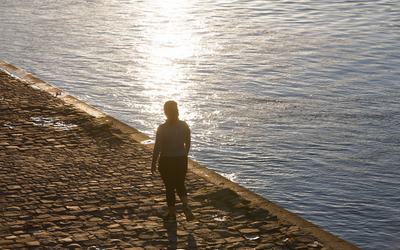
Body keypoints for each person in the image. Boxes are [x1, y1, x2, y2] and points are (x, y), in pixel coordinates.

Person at [151, 100, 195, 222]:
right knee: (180, 184)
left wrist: (153, 162)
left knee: (169, 187)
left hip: (166, 160)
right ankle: (185, 206)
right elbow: (188, 144)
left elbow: (158, 146)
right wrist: (184, 155)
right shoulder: (185, 125)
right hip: (181, 158)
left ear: (165, 112)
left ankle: (171, 214)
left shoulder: (162, 128)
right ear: (177, 111)